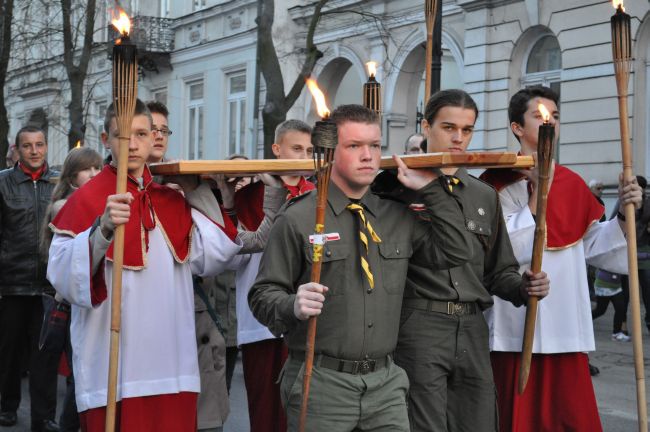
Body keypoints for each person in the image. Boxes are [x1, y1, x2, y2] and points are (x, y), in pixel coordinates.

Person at [249, 104, 474, 431]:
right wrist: (292, 304)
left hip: (385, 384)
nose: (368, 155)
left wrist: (430, 190)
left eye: (374, 145)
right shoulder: (299, 217)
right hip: (322, 382)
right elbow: (262, 295)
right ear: (329, 153)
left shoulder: (396, 216)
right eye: (354, 146)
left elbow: (457, 250)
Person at [47, 100, 249, 431]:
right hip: (112, 362)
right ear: (105, 139)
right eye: (122, 135)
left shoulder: (170, 198)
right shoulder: (87, 199)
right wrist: (102, 230)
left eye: (141, 133)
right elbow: (62, 276)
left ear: (152, 135)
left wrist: (204, 194)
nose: (133, 143)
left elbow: (214, 254)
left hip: (170, 361)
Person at [375, 89, 548, 432]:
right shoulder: (392, 186)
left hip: (472, 326)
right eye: (448, 127)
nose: (458, 138)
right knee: (423, 424)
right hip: (418, 323)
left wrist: (524, 286)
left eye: (467, 130)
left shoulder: (484, 194)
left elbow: (499, 271)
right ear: (426, 126)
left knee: (479, 421)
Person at [480, 85, 643, 432]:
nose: (549, 122)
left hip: (565, 320)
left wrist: (626, 217)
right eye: (539, 116)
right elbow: (500, 249)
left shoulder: (571, 182)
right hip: (514, 322)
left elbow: (594, 245)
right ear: (517, 128)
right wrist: (537, 195)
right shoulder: (496, 181)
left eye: (554, 116)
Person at [233, 119, 315, 432]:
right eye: (296, 148)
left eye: (309, 150)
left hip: (308, 318)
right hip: (261, 323)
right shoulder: (251, 194)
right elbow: (240, 248)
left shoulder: (318, 194)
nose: (304, 156)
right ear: (276, 149)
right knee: (267, 414)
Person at [0, 125, 60, 432]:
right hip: (11, 283)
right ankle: (7, 407)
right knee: (9, 353)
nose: (34, 151)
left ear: (46, 147)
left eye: (39, 145)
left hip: (49, 286)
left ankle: (43, 416)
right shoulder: (3, 184)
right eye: (27, 146)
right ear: (17, 149)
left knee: (44, 356)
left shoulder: (60, 183)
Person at [39, 147, 103, 432]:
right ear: (72, 174)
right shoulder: (65, 205)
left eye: (97, 169)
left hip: (89, 297)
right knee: (79, 371)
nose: (93, 174)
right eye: (87, 169)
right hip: (72, 299)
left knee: (81, 371)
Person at [591, 269, 630, 341]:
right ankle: (583, 321)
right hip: (604, 285)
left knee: (621, 308)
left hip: (616, 286)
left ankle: (616, 333)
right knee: (600, 310)